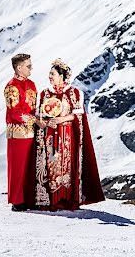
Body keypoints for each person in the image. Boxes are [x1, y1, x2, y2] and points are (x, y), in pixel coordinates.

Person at [34, 58, 105, 210]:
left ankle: (67, 199)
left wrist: (60, 119)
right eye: (49, 73)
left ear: (61, 76)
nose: (50, 76)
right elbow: (39, 116)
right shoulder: (44, 94)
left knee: (66, 166)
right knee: (51, 164)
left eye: (52, 73)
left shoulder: (74, 93)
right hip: (50, 134)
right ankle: (52, 199)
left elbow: (77, 115)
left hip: (66, 134)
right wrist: (47, 122)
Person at [4, 53, 38, 211]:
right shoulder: (12, 87)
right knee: (18, 167)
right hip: (17, 133)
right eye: (28, 66)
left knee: (30, 167)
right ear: (19, 68)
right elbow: (14, 112)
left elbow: (33, 107)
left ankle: (29, 197)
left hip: (31, 132)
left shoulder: (32, 84)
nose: (31, 68)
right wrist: (34, 120)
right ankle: (17, 201)